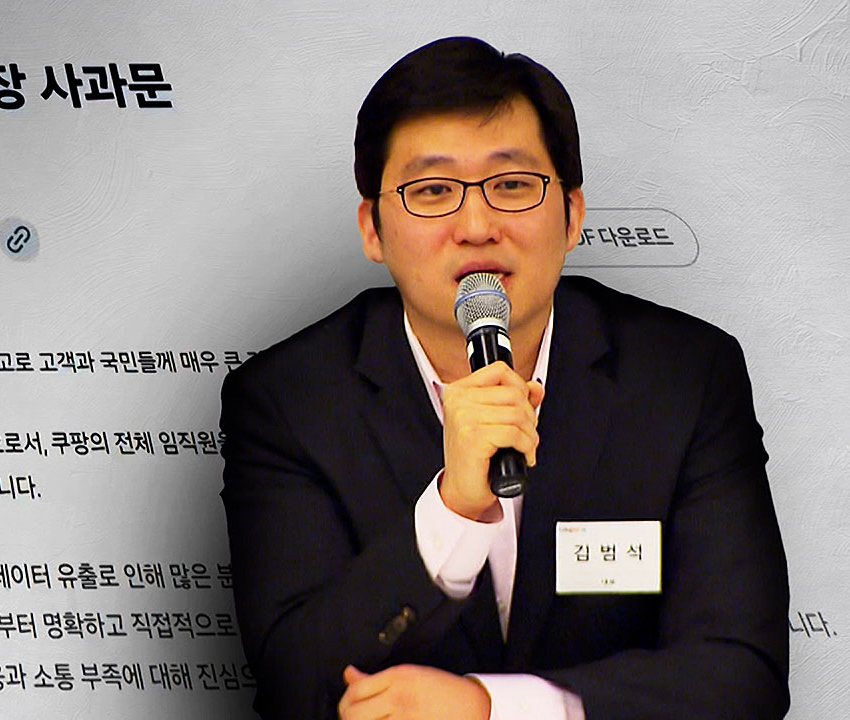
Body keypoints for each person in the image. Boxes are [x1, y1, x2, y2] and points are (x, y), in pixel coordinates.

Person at [219, 37, 788, 720]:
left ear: (572, 214)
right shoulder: (290, 400)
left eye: (512, 185)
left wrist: (492, 708)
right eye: (433, 191)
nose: (477, 225)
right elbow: (295, 683)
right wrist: (451, 510)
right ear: (373, 229)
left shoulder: (684, 376)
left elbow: (743, 676)